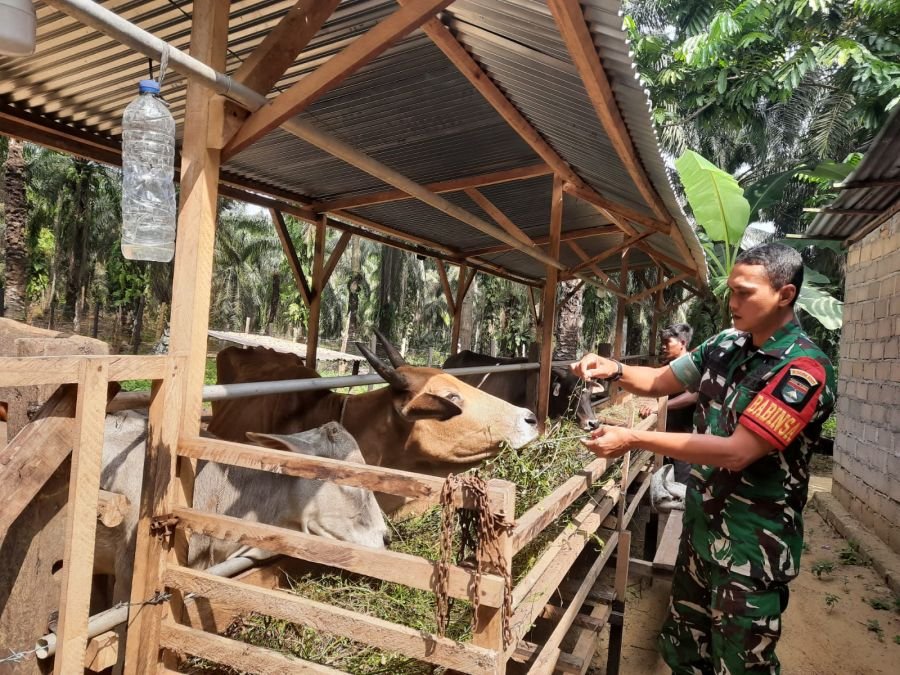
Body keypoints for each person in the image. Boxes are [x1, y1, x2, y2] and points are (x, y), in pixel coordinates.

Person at [572, 243, 835, 675]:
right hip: (700, 530)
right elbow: (659, 380)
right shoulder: (726, 344)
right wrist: (614, 368)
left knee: (740, 661)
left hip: (751, 549)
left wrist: (634, 438)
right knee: (686, 651)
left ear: (785, 295)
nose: (732, 303)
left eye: (745, 292)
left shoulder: (803, 368)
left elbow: (737, 452)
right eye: (730, 291)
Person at [640, 323, 698, 483]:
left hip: (684, 436)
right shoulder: (667, 367)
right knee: (664, 476)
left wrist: (659, 407)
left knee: (681, 480)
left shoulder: (693, 367)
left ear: (683, 343)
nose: (663, 347)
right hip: (665, 432)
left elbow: (692, 396)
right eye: (662, 343)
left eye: (667, 343)